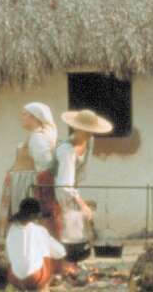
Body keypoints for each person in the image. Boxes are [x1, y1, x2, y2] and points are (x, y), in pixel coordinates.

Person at [50, 109, 113, 255]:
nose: (90, 133)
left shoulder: (89, 141)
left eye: (92, 130)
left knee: (78, 222)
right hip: (57, 187)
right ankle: (66, 259)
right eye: (86, 130)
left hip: (71, 186)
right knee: (69, 226)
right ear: (77, 128)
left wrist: (79, 199)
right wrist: (82, 204)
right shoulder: (66, 150)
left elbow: (80, 172)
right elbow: (64, 184)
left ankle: (74, 259)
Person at [0, 103, 58, 236]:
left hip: (27, 184)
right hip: (22, 182)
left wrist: (38, 186)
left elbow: (44, 165)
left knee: (25, 220)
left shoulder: (38, 137)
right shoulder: (35, 136)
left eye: (25, 114)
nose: (22, 117)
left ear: (35, 117)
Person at [5, 198, 66, 291]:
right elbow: (61, 252)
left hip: (14, 278)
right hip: (34, 279)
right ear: (35, 217)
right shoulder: (39, 230)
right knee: (51, 255)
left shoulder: (11, 229)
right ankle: (45, 287)